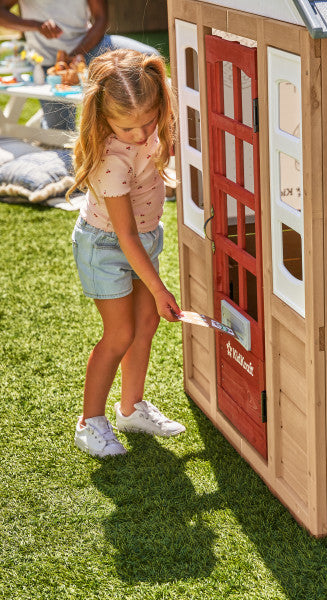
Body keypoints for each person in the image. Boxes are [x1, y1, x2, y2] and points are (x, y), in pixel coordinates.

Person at [67, 49, 184, 457]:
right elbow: (125, 235)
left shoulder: (153, 117)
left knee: (146, 323)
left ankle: (131, 409)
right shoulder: (110, 161)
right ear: (104, 118)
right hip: (107, 247)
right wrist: (160, 287)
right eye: (127, 126)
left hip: (144, 239)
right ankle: (90, 423)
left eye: (148, 122)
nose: (140, 134)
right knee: (119, 334)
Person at [0, 0, 160, 130]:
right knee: (60, 130)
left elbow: (101, 18)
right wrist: (36, 25)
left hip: (90, 45)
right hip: (48, 61)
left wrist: (77, 54)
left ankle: (158, 124)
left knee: (149, 58)